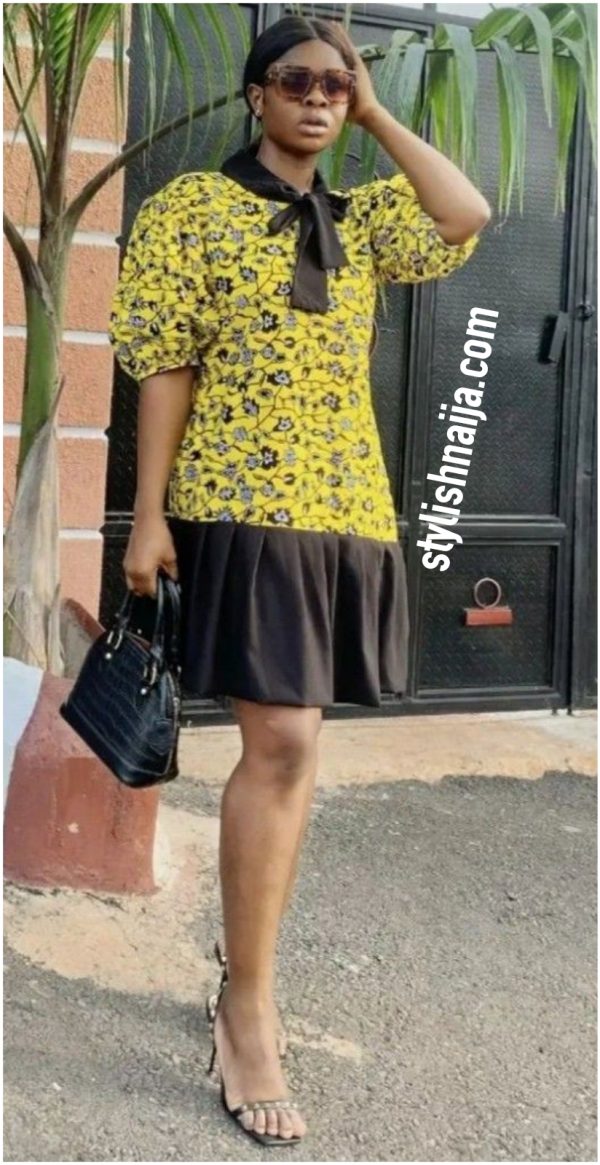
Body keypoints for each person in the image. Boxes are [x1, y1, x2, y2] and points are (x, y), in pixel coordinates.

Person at [108, 13, 490, 1147]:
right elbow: (165, 365)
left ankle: (245, 980)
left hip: (345, 513)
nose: (318, 98)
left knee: (296, 743)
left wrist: (379, 114)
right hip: (239, 500)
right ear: (256, 95)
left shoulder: (367, 218)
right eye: (297, 81)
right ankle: (249, 1008)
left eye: (336, 84)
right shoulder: (193, 208)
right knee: (282, 741)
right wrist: (148, 515)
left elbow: (465, 212)